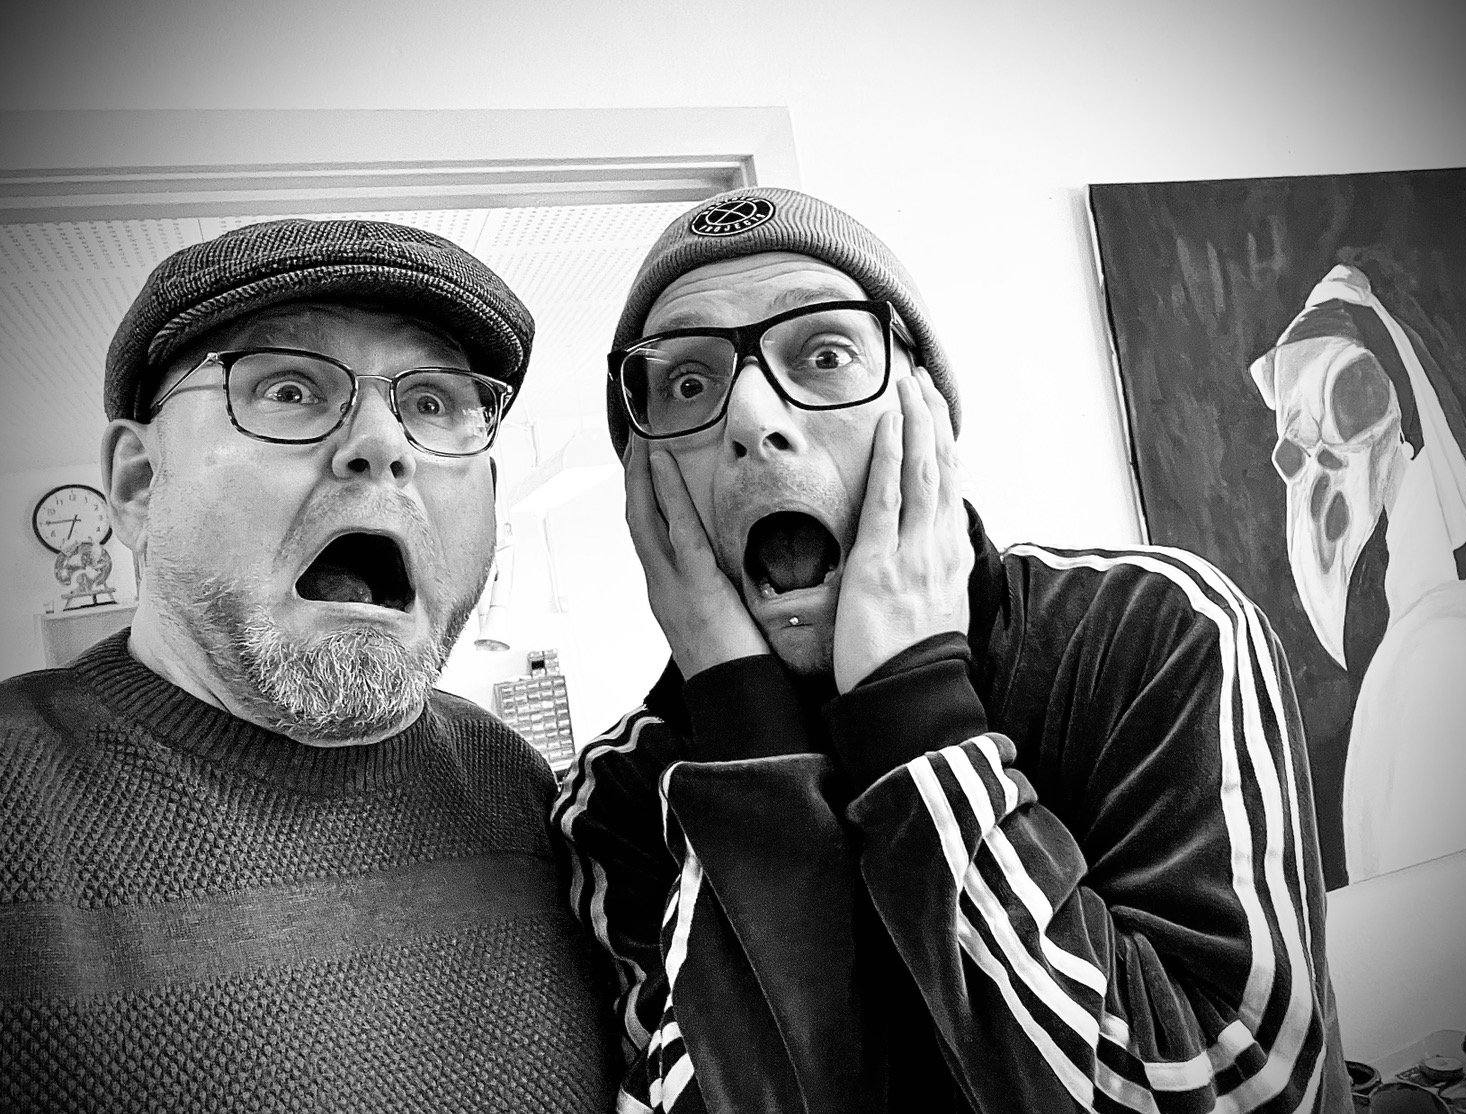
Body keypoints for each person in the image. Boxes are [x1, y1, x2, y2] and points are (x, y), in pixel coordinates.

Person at [554, 188, 1351, 1113]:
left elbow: (1245, 1092)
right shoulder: (618, 796)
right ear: (645, 481)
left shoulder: (1151, 632)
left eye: (825, 354)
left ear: (924, 411)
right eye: (688, 385)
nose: (753, 421)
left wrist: (912, 710)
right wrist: (747, 744)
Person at [0, 219, 616, 1111]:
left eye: (434, 403)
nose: (385, 444)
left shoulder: (509, 779)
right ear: (139, 484)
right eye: (288, 389)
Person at [1251, 262, 1466, 881]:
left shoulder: (1451, 661)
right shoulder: (1429, 650)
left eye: (1351, 397)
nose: (1320, 461)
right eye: (1296, 445)